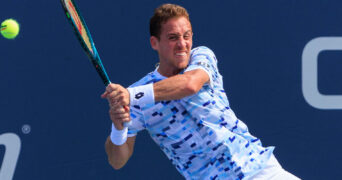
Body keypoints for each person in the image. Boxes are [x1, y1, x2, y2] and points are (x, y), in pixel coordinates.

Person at [101, 3, 300, 180]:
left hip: (262, 170)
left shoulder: (202, 56)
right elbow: (117, 161)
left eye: (186, 36)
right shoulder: (136, 99)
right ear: (155, 43)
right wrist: (118, 128)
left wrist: (132, 95)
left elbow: (190, 84)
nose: (182, 44)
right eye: (172, 38)